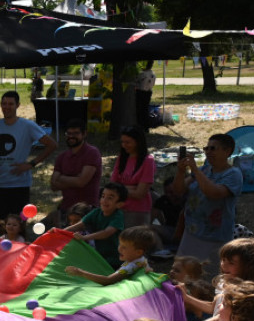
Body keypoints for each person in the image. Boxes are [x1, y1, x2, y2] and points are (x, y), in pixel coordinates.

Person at [0, 91, 56, 223]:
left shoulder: (28, 125)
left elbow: (52, 145)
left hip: (19, 184)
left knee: (19, 225)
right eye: (4, 103)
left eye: (10, 104)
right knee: (1, 224)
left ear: (18, 105)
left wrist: (30, 164)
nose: (6, 107)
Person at [174, 133, 243, 272]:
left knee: (207, 278)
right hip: (192, 231)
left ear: (227, 151)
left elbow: (214, 193)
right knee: (183, 273)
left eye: (213, 148)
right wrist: (181, 171)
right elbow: (178, 190)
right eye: (207, 148)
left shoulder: (233, 174)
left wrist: (194, 169)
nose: (208, 152)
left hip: (215, 236)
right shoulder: (204, 169)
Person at [65, 226, 158, 286]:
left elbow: (108, 280)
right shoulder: (141, 260)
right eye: (120, 244)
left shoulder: (131, 266)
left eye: (124, 247)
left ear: (138, 252)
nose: (119, 249)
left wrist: (81, 272)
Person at [50, 119, 101, 225]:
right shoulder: (62, 156)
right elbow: (53, 185)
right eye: (69, 133)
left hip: (87, 210)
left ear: (84, 134)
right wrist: (75, 179)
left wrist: (62, 178)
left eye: (76, 133)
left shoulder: (92, 153)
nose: (71, 136)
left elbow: (81, 182)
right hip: (66, 209)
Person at [66, 182, 128, 269]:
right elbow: (78, 225)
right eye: (103, 196)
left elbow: (107, 232)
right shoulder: (96, 212)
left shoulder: (118, 216)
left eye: (110, 198)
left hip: (116, 259)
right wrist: (59, 231)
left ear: (119, 204)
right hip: (100, 257)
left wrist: (85, 237)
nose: (104, 200)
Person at [110, 126, 155, 229]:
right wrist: (132, 188)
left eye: (128, 142)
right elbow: (112, 185)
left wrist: (120, 188)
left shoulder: (148, 161)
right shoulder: (122, 158)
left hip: (137, 212)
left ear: (138, 142)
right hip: (118, 209)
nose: (124, 145)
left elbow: (140, 194)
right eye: (122, 142)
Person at [135, 61, 157, 130]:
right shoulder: (153, 74)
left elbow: (136, 81)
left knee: (139, 110)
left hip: (140, 92)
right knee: (145, 109)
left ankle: (140, 125)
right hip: (148, 92)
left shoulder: (142, 74)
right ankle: (145, 126)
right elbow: (153, 84)